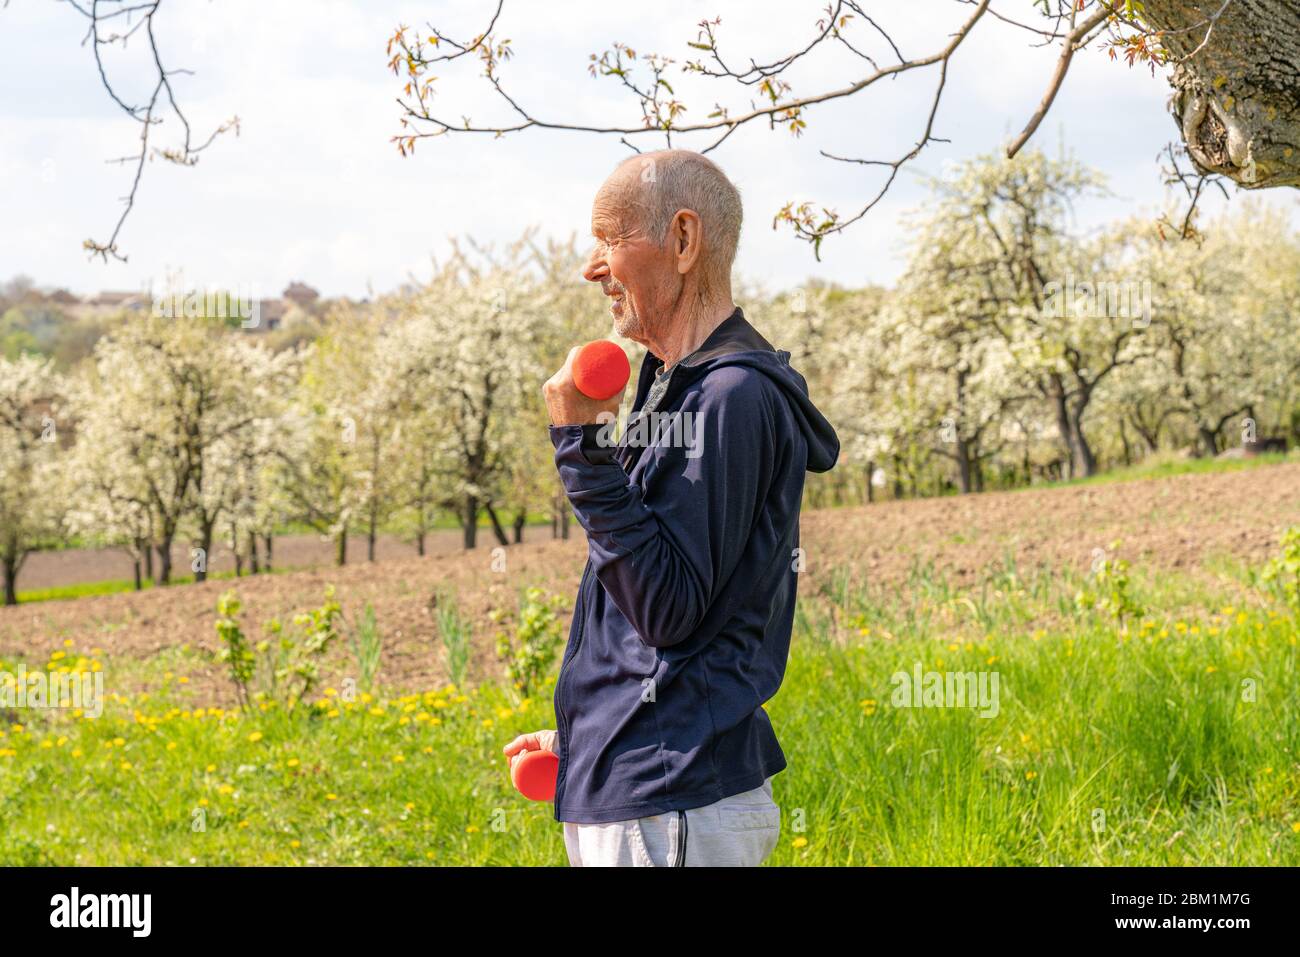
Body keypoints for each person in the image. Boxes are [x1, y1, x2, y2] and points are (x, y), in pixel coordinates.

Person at [503, 149, 839, 866]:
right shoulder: (676, 392)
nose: (590, 267)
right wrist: (589, 733)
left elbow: (669, 606)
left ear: (683, 242)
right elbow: (666, 626)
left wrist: (580, 448)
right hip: (650, 797)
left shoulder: (731, 399)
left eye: (608, 238)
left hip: (671, 803)